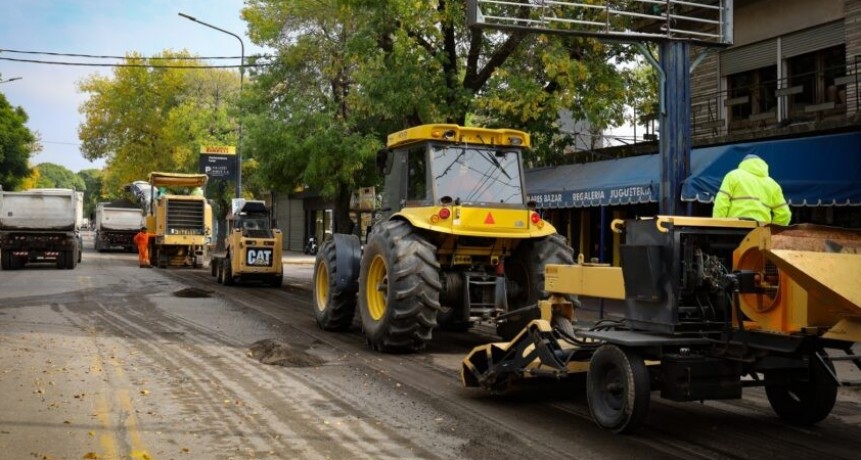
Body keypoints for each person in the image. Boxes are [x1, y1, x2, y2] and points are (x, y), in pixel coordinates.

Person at [712, 154, 791, 225]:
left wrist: (718, 225)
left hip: (735, 228)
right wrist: (771, 231)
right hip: (761, 231)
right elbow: (785, 214)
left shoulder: (733, 176)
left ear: (743, 164)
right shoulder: (773, 184)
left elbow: (721, 203)